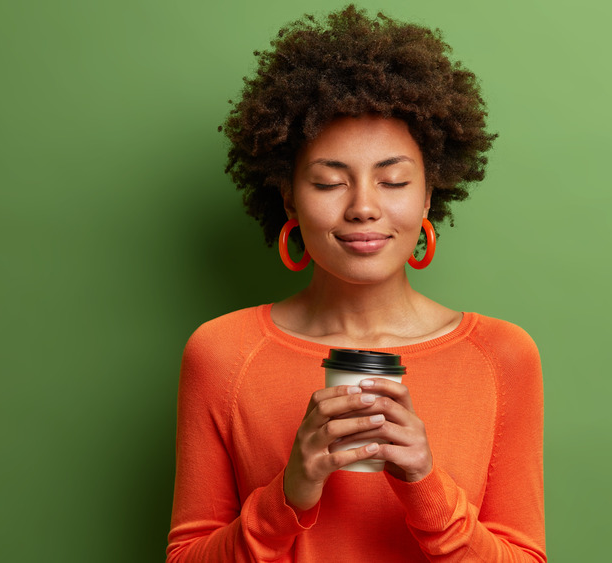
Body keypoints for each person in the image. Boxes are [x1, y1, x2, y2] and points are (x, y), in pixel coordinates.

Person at [166, 6, 545, 562]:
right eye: (328, 182)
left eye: (393, 180)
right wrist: (288, 492)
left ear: (428, 196)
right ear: (290, 195)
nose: (364, 207)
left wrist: (424, 484)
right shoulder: (221, 353)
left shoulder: (503, 356)